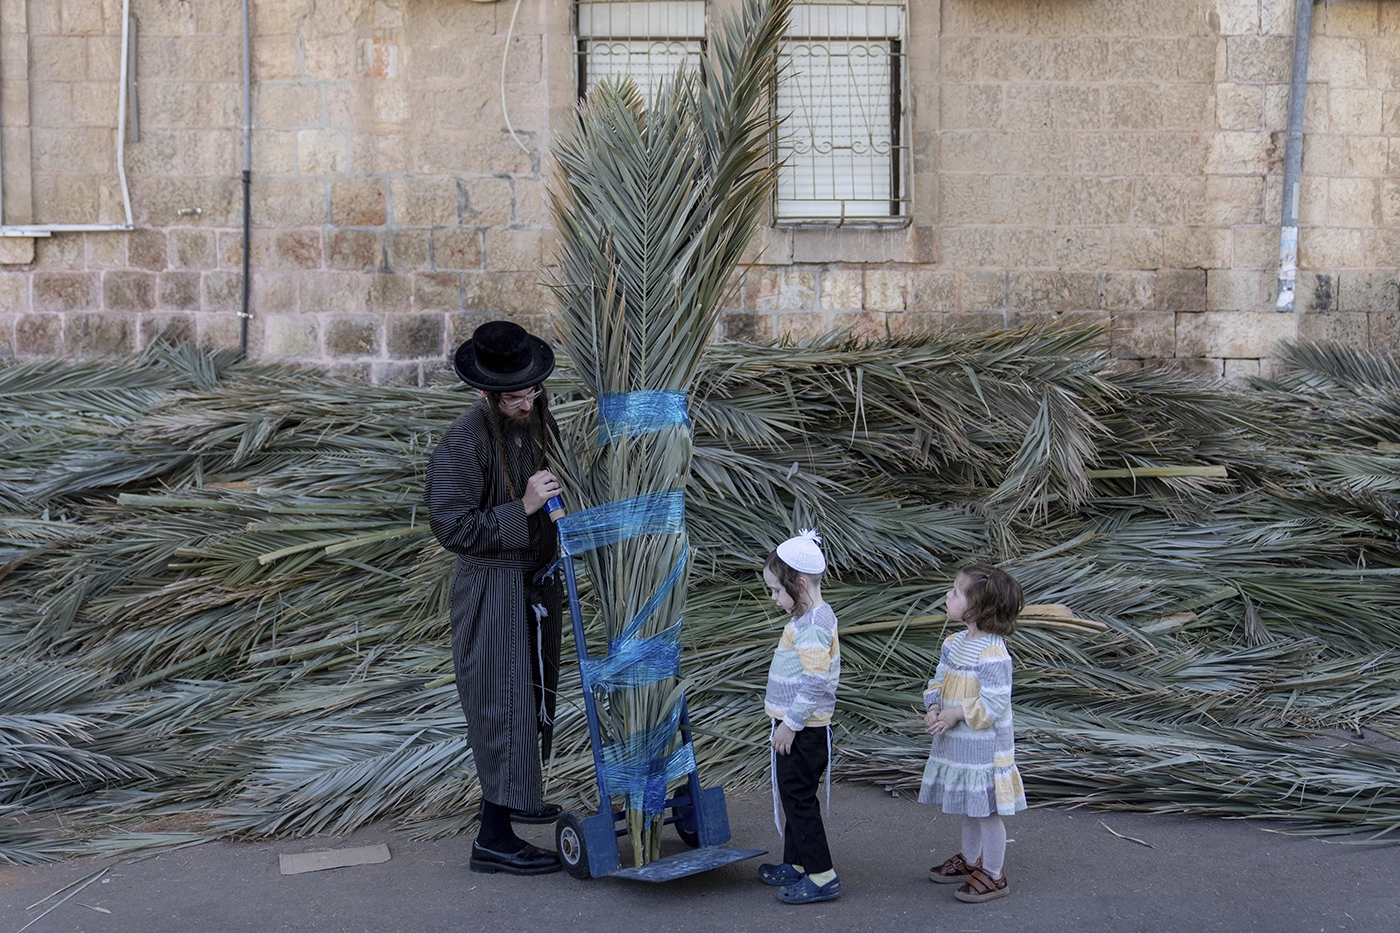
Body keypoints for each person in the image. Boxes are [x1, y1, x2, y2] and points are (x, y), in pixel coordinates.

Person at [424, 320, 566, 876]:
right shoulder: (464, 438)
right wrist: (525, 508)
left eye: (532, 390)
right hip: (491, 595)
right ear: (486, 392)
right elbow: (451, 527)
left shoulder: (536, 419)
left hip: (535, 585)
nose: (526, 402)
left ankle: (514, 801)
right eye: (514, 396)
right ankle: (494, 839)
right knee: (499, 709)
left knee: (530, 703)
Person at [920, 563, 1027, 903]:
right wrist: (935, 707)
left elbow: (993, 705)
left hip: (983, 749)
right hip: (960, 745)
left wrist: (954, 714)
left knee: (986, 811)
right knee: (970, 804)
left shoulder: (993, 653)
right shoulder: (953, 643)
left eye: (954, 592)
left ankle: (995, 874)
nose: (947, 596)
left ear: (977, 608)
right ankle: (970, 859)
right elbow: (938, 679)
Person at [757, 529, 842, 905]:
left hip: (803, 730)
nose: (774, 599)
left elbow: (815, 682)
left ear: (800, 583)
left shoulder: (811, 628)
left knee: (798, 797)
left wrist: (790, 724)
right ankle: (795, 863)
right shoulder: (814, 617)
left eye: (776, 590)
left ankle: (822, 876)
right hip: (796, 726)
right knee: (794, 797)